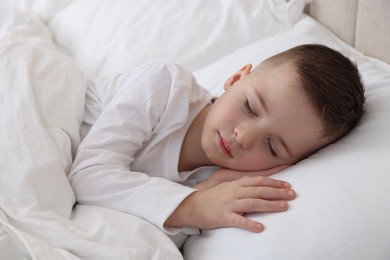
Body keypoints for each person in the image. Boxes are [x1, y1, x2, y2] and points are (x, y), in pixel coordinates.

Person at [69, 44, 365, 244]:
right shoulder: (165, 87)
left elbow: (145, 234)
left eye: (272, 147)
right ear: (235, 78)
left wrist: (199, 193)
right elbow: (88, 176)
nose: (244, 137)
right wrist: (192, 204)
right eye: (250, 107)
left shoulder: (217, 187)